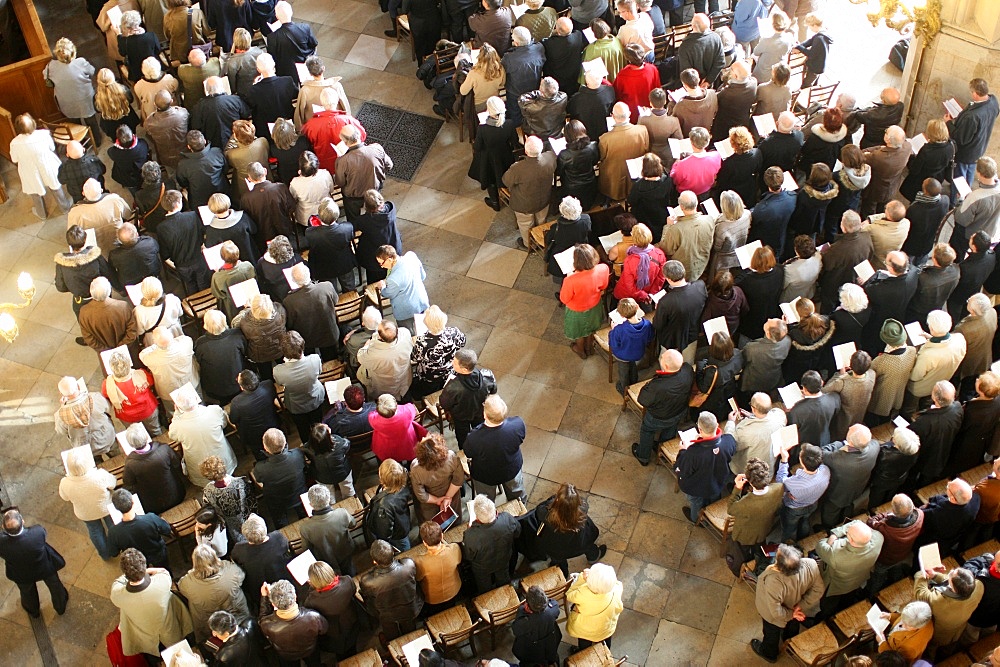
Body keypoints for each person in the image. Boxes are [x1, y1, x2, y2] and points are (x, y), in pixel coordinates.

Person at [111, 548, 193, 657]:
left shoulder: (117, 595)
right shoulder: (162, 582)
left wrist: (131, 572)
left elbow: (118, 582)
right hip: (169, 630)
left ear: (125, 573)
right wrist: (144, 570)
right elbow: (162, 571)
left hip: (145, 636)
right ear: (144, 566)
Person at [752, 542, 824, 661]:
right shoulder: (811, 564)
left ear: (780, 567)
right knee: (792, 626)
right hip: (797, 608)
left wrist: (791, 614)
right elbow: (819, 589)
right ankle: (790, 643)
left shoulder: (774, 581)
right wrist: (799, 607)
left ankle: (768, 653)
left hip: (773, 616)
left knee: (771, 632)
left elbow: (776, 613)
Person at [630, 349, 694, 466]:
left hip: (658, 417)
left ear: (665, 366)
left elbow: (642, 400)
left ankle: (643, 456)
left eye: (662, 357)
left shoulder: (658, 386)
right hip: (679, 411)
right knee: (670, 429)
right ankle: (662, 450)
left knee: (647, 431)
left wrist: (647, 387)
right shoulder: (687, 370)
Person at [524, 483, 605, 575]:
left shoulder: (544, 514)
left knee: (558, 559)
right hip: (579, 543)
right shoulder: (582, 510)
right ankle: (593, 557)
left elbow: (542, 506)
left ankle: (563, 574)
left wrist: (554, 501)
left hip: (556, 547)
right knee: (589, 546)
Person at [169, 385, 238, 487]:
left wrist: (176, 415)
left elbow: (173, 436)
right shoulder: (214, 410)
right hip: (222, 459)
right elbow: (224, 424)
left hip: (198, 465)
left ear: (178, 407)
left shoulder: (177, 425)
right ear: (197, 399)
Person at [179, 544, 250, 643]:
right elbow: (242, 574)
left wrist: (192, 572)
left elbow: (181, 587)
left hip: (209, 623)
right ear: (214, 557)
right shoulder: (231, 571)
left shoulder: (188, 583)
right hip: (237, 616)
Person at [676, 411, 736, 524]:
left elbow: (682, 469)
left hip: (696, 487)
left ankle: (696, 519)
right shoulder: (728, 442)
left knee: (696, 503)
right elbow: (730, 438)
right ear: (717, 425)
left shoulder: (693, 453)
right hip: (716, 483)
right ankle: (711, 510)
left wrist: (682, 451)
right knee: (713, 498)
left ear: (700, 430)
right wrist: (731, 422)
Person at [358, 540, 424, 640]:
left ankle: (392, 646)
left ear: (375, 561)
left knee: (390, 633)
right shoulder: (408, 565)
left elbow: (368, 596)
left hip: (386, 614)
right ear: (393, 552)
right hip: (408, 607)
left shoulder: (367, 581)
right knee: (409, 629)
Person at [10, 113, 73, 219]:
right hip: (47, 164)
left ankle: (41, 213)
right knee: (55, 186)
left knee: (34, 191)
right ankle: (64, 207)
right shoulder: (44, 134)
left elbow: (14, 159)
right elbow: (52, 148)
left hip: (29, 170)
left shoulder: (14, 143)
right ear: (33, 123)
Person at [57, 445, 116, 559]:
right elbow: (112, 483)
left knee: (95, 531)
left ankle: (105, 554)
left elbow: (65, 497)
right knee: (112, 526)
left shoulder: (65, 483)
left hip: (85, 513)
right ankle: (115, 549)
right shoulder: (99, 475)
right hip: (105, 508)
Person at [463, 395, 526, 500]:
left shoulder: (474, 437)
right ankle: (520, 509)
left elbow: (468, 453)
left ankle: (489, 515)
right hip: (511, 469)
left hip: (486, 476)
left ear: (485, 415)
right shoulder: (518, 425)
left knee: (486, 501)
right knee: (517, 494)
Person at [815, 521, 884, 617]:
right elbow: (858, 523)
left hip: (836, 586)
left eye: (847, 533)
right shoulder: (879, 538)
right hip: (858, 580)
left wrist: (834, 536)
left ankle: (825, 618)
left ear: (850, 540)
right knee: (848, 599)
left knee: (829, 605)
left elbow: (820, 545)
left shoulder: (836, 554)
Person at [728, 458, 783, 573]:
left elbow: (731, 509)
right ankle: (758, 558)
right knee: (759, 546)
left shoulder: (746, 503)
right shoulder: (779, 488)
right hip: (764, 529)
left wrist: (737, 488)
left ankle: (741, 567)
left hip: (745, 535)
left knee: (742, 552)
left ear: (750, 482)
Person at [502, 135, 556, 249]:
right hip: (544, 200)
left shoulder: (518, 168)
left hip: (524, 204)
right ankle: (541, 239)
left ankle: (528, 244)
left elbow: (506, 181)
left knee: (525, 224)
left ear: (526, 151)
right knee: (542, 221)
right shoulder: (550, 157)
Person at [819, 424, 879, 527]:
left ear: (850, 442)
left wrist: (840, 444)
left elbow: (821, 453)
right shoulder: (875, 446)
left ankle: (827, 528)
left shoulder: (839, 459)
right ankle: (844, 518)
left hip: (838, 494)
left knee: (831, 512)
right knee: (848, 506)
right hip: (858, 487)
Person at [230, 514, 292, 613]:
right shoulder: (278, 538)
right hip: (281, 577)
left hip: (257, 587)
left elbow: (235, 560)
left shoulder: (239, 549)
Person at [914, 566, 984, 653]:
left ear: (953, 590)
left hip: (938, 635)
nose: (950, 570)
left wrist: (921, 574)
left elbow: (920, 593)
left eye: (952, 573)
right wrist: (935, 576)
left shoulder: (939, 601)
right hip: (957, 630)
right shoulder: (979, 586)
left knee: (931, 649)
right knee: (949, 648)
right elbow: (957, 584)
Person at [259, 578, 328, 666]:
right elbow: (324, 629)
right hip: (310, 650)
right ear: (295, 597)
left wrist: (264, 597)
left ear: (273, 604)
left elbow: (262, 618)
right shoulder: (313, 616)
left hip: (287, 656)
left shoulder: (267, 624)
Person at [45, 37, 101, 142]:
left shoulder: (51, 66)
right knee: (91, 121)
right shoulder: (81, 62)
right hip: (85, 99)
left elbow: (45, 77)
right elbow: (92, 71)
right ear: (73, 51)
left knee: (74, 123)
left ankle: (80, 141)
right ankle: (97, 141)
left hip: (66, 102)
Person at [122, 423, 185, 515]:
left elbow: (129, 485)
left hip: (152, 505)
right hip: (176, 495)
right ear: (147, 437)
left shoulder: (130, 464)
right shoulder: (164, 449)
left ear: (130, 444)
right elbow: (177, 463)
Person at [818, 211, 875, 313]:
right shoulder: (866, 237)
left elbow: (826, 265)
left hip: (835, 282)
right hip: (854, 279)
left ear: (844, 228)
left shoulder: (837, 249)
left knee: (828, 304)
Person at [463, 494, 522, 593]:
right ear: (495, 511)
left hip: (482, 568)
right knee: (503, 578)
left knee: (484, 586)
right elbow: (517, 532)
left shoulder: (470, 535)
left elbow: (469, 556)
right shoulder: (507, 519)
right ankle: (506, 593)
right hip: (503, 559)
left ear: (477, 518)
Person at [440, 348, 498, 448]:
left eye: (454, 362)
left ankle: (465, 453)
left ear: (464, 369)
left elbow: (444, 403)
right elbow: (493, 391)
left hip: (461, 417)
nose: (452, 363)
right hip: (480, 413)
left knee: (463, 438)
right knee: (479, 432)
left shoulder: (453, 387)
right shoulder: (487, 376)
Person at [560, 245, 610, 359]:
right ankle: (589, 347)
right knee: (592, 328)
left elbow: (564, 299)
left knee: (579, 332)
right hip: (595, 304)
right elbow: (604, 285)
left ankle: (580, 350)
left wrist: (570, 276)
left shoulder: (570, 280)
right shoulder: (603, 268)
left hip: (576, 310)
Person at [947, 78, 1000, 185]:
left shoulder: (972, 116)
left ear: (975, 93)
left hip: (966, 153)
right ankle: (968, 188)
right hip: (979, 147)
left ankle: (955, 200)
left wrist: (948, 123)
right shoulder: (993, 100)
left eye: (972, 92)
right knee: (970, 172)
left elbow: (960, 138)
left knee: (959, 179)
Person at [335, 125, 394, 221]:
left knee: (353, 217)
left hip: (353, 197)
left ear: (345, 142)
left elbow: (340, 182)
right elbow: (389, 166)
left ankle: (355, 228)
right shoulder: (376, 148)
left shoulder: (343, 161)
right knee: (375, 214)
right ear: (359, 135)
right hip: (374, 190)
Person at [252, 428, 309, 528]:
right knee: (305, 515)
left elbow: (259, 480)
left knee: (280, 522)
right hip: (299, 494)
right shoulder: (298, 454)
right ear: (285, 442)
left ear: (265, 448)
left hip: (276, 501)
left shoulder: (260, 468)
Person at [303, 561, 359, 660]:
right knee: (352, 645)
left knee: (341, 654)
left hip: (332, 632)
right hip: (351, 621)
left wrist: (312, 587)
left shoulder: (311, 601)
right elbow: (353, 591)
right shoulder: (347, 581)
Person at [472, 96, 519, 212]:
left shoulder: (483, 128)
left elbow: (477, 147)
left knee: (490, 179)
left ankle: (494, 202)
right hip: (506, 157)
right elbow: (515, 142)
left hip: (489, 160)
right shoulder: (509, 124)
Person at [300, 93, 366, 175]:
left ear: (321, 104)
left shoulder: (311, 125)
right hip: (348, 162)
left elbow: (306, 144)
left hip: (322, 164)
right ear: (337, 101)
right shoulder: (348, 120)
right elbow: (362, 136)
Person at [105, 488, 172, 568]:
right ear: (133, 502)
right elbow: (167, 530)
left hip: (136, 563)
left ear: (116, 508)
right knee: (165, 571)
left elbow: (114, 552)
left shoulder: (113, 532)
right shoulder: (150, 518)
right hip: (158, 555)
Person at [409, 305, 467, 398]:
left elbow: (415, 358)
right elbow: (462, 342)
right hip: (450, 369)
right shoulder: (454, 332)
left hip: (430, 375)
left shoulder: (422, 342)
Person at [950, 157, 1000, 261]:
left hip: (971, 234)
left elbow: (961, 219)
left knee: (957, 248)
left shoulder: (975, 197)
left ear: (979, 173)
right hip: (990, 231)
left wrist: (962, 201)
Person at [299, 484, 356, 575]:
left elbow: (307, 548)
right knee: (349, 568)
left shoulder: (305, 528)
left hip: (324, 558)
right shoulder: (342, 513)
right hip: (345, 549)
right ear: (329, 499)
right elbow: (353, 524)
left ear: (310, 504)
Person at [599, 102, 650, 201]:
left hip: (614, 182)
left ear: (613, 116)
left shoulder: (605, 139)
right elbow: (646, 149)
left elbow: (602, 157)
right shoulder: (642, 130)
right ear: (630, 114)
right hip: (636, 178)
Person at [303, 197, 356, 292]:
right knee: (349, 286)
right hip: (344, 263)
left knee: (330, 290)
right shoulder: (347, 228)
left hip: (325, 267)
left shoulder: (311, 233)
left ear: (319, 216)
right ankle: (353, 302)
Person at [566, 563, 623, 650]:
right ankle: (606, 650)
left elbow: (569, 595)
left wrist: (581, 578)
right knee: (606, 638)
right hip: (606, 628)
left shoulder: (583, 593)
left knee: (584, 644)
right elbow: (617, 584)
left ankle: (582, 652)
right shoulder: (617, 589)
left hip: (585, 631)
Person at [410, 433, 465, 523]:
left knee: (434, 527)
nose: (423, 436)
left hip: (430, 503)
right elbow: (458, 479)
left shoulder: (416, 469)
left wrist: (437, 500)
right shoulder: (451, 457)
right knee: (454, 520)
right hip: (452, 494)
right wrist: (447, 497)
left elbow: (421, 495)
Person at [822, 351, 876, 440]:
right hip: (861, 412)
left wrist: (840, 374)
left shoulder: (842, 381)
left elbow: (825, 390)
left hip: (845, 414)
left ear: (851, 365)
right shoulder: (872, 374)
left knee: (841, 432)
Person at [918, 478, 981, 554]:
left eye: (948, 486)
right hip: (955, 535)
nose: (948, 483)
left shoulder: (937, 513)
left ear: (953, 499)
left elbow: (921, 516)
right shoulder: (976, 499)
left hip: (936, 538)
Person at [608, 298, 656, 394]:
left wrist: (613, 330)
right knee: (632, 366)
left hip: (623, 355)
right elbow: (650, 337)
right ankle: (634, 381)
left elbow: (613, 344)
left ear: (621, 315)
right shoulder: (647, 324)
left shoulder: (619, 329)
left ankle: (624, 388)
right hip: (638, 353)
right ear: (637, 307)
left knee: (623, 372)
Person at [358, 320, 414, 401]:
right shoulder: (405, 333)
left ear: (380, 337)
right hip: (403, 378)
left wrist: (367, 345)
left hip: (385, 386)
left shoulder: (374, 354)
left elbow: (360, 358)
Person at [364, 459, 413, 551]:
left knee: (404, 549)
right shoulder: (403, 483)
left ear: (382, 478)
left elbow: (384, 530)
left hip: (396, 534)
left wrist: (384, 541)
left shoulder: (384, 505)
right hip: (402, 522)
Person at [190, 77, 250, 151]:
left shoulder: (199, 107)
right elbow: (247, 114)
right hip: (236, 142)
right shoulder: (235, 100)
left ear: (207, 89)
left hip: (213, 147)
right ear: (222, 86)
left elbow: (195, 126)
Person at [412, 520, 463, 607]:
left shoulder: (420, 561)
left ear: (424, 542)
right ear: (442, 536)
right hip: (453, 590)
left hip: (432, 598)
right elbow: (458, 560)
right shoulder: (454, 548)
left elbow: (418, 577)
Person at [867, 427, 921, 509]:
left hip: (881, 481)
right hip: (899, 478)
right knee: (890, 494)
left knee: (876, 497)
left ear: (897, 444)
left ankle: (873, 509)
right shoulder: (913, 451)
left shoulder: (884, 454)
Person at [247, 53, 298, 138]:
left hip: (265, 128)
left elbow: (250, 106)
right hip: (287, 123)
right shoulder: (287, 81)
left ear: (258, 70)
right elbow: (296, 95)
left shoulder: (254, 90)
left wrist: (255, 85)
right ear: (274, 65)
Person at [176, 130, 230, 209]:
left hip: (199, 199)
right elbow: (225, 169)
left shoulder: (183, 164)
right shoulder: (216, 152)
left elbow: (183, 182)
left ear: (189, 147)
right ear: (204, 141)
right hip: (221, 193)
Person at [543, 197, 591, 283]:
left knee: (560, 275)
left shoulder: (556, 227)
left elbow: (548, 240)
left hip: (561, 254)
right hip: (580, 251)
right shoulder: (586, 219)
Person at [293, 55, 350, 128]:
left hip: (314, 125)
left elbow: (300, 112)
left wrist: (300, 128)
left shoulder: (304, 90)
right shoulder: (336, 85)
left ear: (310, 73)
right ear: (323, 68)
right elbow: (345, 105)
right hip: (336, 122)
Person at [512, 585, 562, 666]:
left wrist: (524, 611)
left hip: (531, 649)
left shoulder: (525, 621)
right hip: (549, 643)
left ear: (527, 607)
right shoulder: (553, 610)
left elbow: (516, 630)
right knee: (552, 656)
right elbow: (553, 603)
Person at [669, 127, 722, 201]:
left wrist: (676, 163)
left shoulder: (682, 165)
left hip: (686, 195)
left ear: (691, 143)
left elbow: (675, 180)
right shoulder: (716, 156)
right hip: (706, 191)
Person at [709, 189, 753, 277]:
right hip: (740, 250)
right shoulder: (747, 214)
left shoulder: (722, 227)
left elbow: (717, 248)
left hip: (724, 258)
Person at [304, 423, 354, 501]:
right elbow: (347, 445)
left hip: (322, 476)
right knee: (348, 489)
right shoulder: (339, 443)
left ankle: (331, 507)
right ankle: (352, 503)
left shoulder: (307, 448)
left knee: (328, 495)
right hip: (342, 473)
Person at [568, 68, 617, 141]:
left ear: (586, 82)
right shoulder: (610, 91)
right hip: (604, 134)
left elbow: (570, 110)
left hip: (585, 136)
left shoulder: (576, 99)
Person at [369, 394, 420, 462]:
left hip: (387, 447)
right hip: (406, 443)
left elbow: (372, 414)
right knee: (410, 458)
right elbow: (413, 409)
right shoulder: (407, 411)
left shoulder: (373, 419)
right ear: (396, 404)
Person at [542, 17, 584, 95]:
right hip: (573, 77)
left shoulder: (549, 43)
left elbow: (543, 42)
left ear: (557, 30)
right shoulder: (578, 36)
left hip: (557, 78)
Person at [678, 13, 724, 84]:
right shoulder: (716, 38)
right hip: (711, 82)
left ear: (693, 26)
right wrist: (708, 81)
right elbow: (720, 62)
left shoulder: (685, 46)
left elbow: (686, 72)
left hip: (693, 85)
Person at [751, 10, 794, 81]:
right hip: (779, 71)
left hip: (764, 73)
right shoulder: (789, 37)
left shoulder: (766, 40)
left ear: (772, 25)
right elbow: (788, 51)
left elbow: (756, 52)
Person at [781, 235, 822, 303]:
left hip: (791, 298)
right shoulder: (818, 258)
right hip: (808, 293)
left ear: (796, 250)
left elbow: (782, 286)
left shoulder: (789, 270)